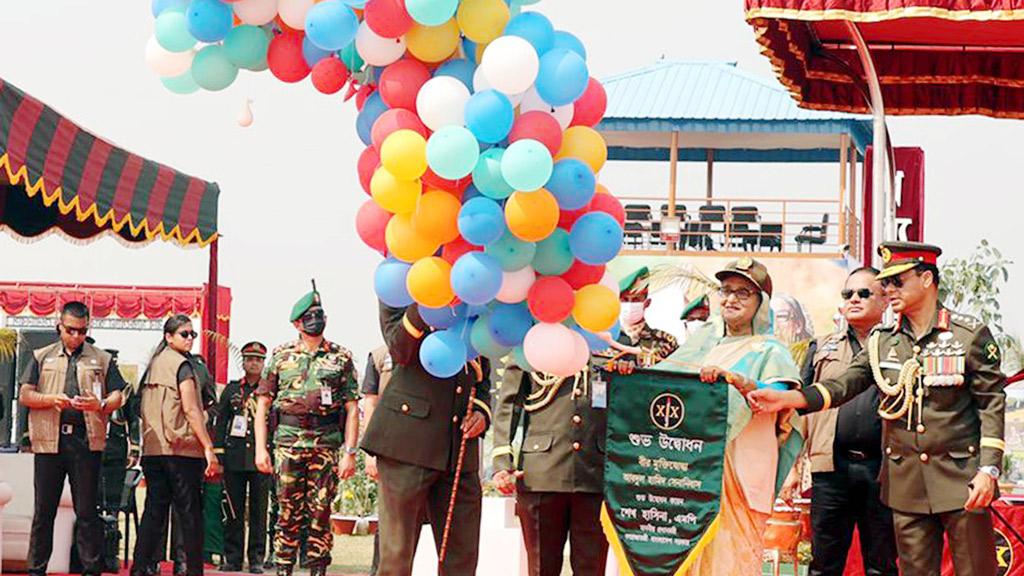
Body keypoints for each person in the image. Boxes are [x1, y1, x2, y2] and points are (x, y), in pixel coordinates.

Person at [750, 242, 1007, 576]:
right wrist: (791, 399)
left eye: (897, 281)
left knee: (976, 571)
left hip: (962, 480)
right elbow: (844, 385)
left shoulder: (967, 335)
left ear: (926, 279)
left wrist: (989, 471)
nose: (889, 289)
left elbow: (991, 405)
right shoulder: (883, 340)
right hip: (906, 483)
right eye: (885, 282)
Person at [656, 257, 804, 575]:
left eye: (743, 292)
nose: (731, 299)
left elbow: (778, 396)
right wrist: (629, 372)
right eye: (725, 290)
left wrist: (741, 381)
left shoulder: (769, 350)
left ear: (761, 302)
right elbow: (659, 386)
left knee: (729, 561)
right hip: (692, 472)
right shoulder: (700, 347)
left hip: (738, 472)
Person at [361, 301, 491, 576]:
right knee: (397, 558)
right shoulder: (401, 288)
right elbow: (399, 349)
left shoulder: (475, 297)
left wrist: (481, 411)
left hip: (459, 450)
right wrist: (426, 299)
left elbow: (482, 376)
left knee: (462, 558)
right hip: (407, 444)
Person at [791, 267, 898, 576]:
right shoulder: (820, 347)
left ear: (884, 301)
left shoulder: (898, 347)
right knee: (824, 564)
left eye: (864, 293)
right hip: (830, 470)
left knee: (882, 565)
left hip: (882, 472)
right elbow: (800, 407)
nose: (854, 299)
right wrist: (794, 469)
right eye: (847, 294)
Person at [254, 283, 359, 576]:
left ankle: (317, 570)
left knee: (320, 515)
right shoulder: (280, 356)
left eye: (320, 314)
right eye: (310, 315)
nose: (316, 319)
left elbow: (352, 408)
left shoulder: (341, 357)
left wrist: (350, 452)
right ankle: (283, 569)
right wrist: (261, 449)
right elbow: (262, 405)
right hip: (287, 445)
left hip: (326, 446)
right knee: (286, 515)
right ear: (297, 323)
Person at [18, 301, 126, 576]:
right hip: (50, 441)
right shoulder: (42, 355)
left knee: (88, 511)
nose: (76, 336)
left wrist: (99, 404)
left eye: (81, 330)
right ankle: (36, 569)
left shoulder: (101, 358)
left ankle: (91, 569)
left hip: (85, 441)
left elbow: (118, 395)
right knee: (44, 511)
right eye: (71, 330)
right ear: (59, 327)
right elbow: (25, 395)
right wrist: (50, 399)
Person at [491, 356, 609, 576]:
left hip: (594, 474)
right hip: (542, 473)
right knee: (541, 569)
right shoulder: (532, 342)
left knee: (592, 569)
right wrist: (501, 463)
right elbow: (509, 405)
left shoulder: (615, 343)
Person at [131, 315, 222, 576]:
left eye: (192, 334)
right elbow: (192, 409)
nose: (190, 339)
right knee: (190, 515)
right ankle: (193, 571)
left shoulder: (152, 365)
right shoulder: (183, 366)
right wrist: (207, 447)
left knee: (154, 512)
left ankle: (139, 568)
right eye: (185, 334)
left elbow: (138, 406)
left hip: (154, 449)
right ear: (168, 336)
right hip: (182, 449)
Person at [215, 342, 271, 573]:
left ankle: (257, 558)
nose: (254, 363)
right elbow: (221, 424)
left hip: (260, 458)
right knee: (233, 510)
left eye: (258, 359)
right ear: (244, 362)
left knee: (259, 511)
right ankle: (232, 557)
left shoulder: (269, 391)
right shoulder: (231, 390)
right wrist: (218, 455)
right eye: (249, 359)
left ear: (263, 363)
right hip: (235, 457)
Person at [605, 266, 679, 373]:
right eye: (625, 300)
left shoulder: (666, 342)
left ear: (646, 303)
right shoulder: (606, 339)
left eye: (636, 300)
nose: (630, 304)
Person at [360, 344, 393, 576]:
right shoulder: (379, 355)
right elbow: (370, 403)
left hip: (432, 445)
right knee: (389, 517)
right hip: (390, 448)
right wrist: (370, 452)